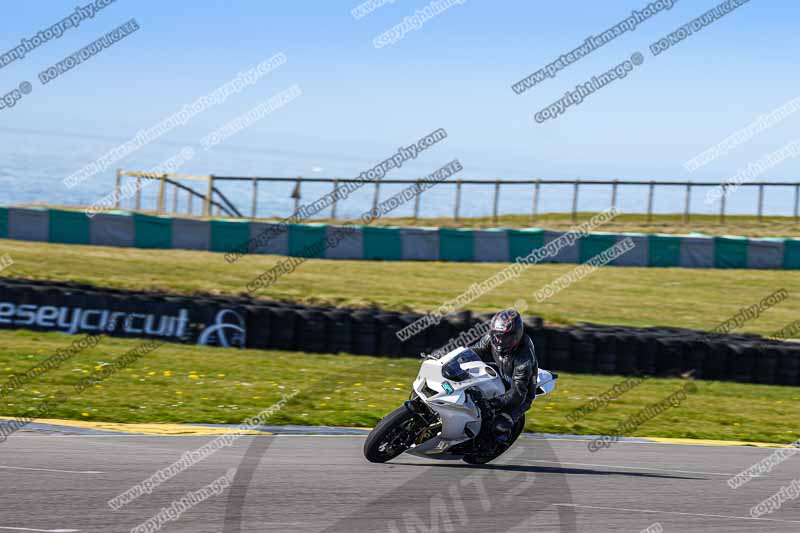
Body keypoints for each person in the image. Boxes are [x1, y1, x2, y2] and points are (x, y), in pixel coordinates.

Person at [467, 309, 538, 441]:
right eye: (497, 335)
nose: (499, 341)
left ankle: (493, 441)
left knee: (497, 426)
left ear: (516, 335)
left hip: (521, 393)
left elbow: (517, 394)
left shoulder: (524, 360)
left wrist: (491, 403)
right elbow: (473, 352)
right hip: (501, 374)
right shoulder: (492, 338)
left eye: (505, 337)